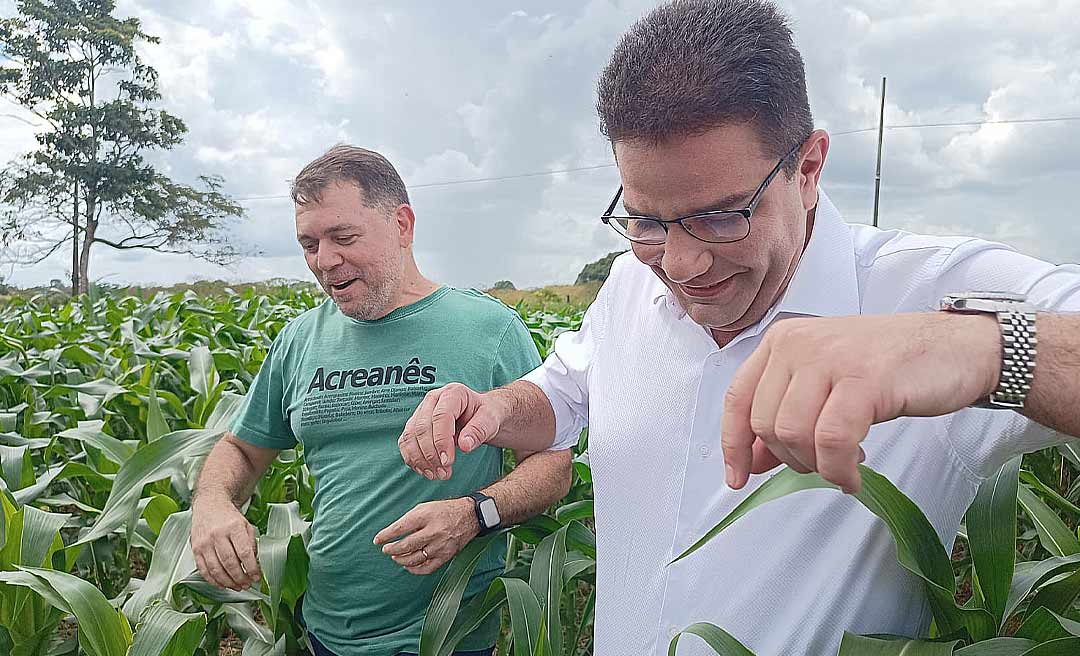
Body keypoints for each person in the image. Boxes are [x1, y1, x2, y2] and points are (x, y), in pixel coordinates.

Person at [397, 1, 1080, 653]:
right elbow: (566, 391)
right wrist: (492, 409)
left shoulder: (925, 291)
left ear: (808, 168)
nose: (684, 264)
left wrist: (980, 346)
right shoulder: (634, 282)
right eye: (647, 221)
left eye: (723, 215)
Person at [191, 145, 572, 656]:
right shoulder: (300, 340)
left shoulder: (489, 331)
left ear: (402, 225)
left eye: (343, 237)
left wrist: (473, 514)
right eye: (309, 244)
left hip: (445, 637)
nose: (325, 261)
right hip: (326, 631)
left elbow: (552, 463)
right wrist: (212, 502)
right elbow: (242, 448)